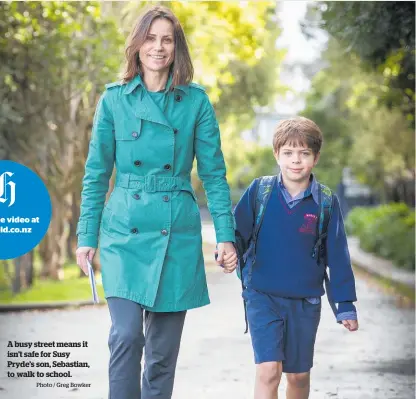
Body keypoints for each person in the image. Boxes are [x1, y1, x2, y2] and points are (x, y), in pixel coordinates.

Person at [75, 6, 237, 399]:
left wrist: (226, 236)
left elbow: (214, 175)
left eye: (167, 39)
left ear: (176, 47)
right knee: (127, 337)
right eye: (150, 38)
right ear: (137, 44)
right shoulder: (113, 100)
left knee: (162, 356)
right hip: (123, 231)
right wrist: (86, 235)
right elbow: (97, 173)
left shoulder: (196, 102)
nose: (158, 47)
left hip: (175, 233)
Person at [232, 117, 359, 399]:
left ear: (315, 158)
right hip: (262, 296)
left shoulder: (326, 202)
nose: (296, 160)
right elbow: (236, 234)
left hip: (305, 301)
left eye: (304, 153)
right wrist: (227, 250)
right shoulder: (260, 192)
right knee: (268, 371)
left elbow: (338, 254)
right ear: (277, 155)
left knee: (298, 377)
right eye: (288, 153)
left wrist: (346, 304)